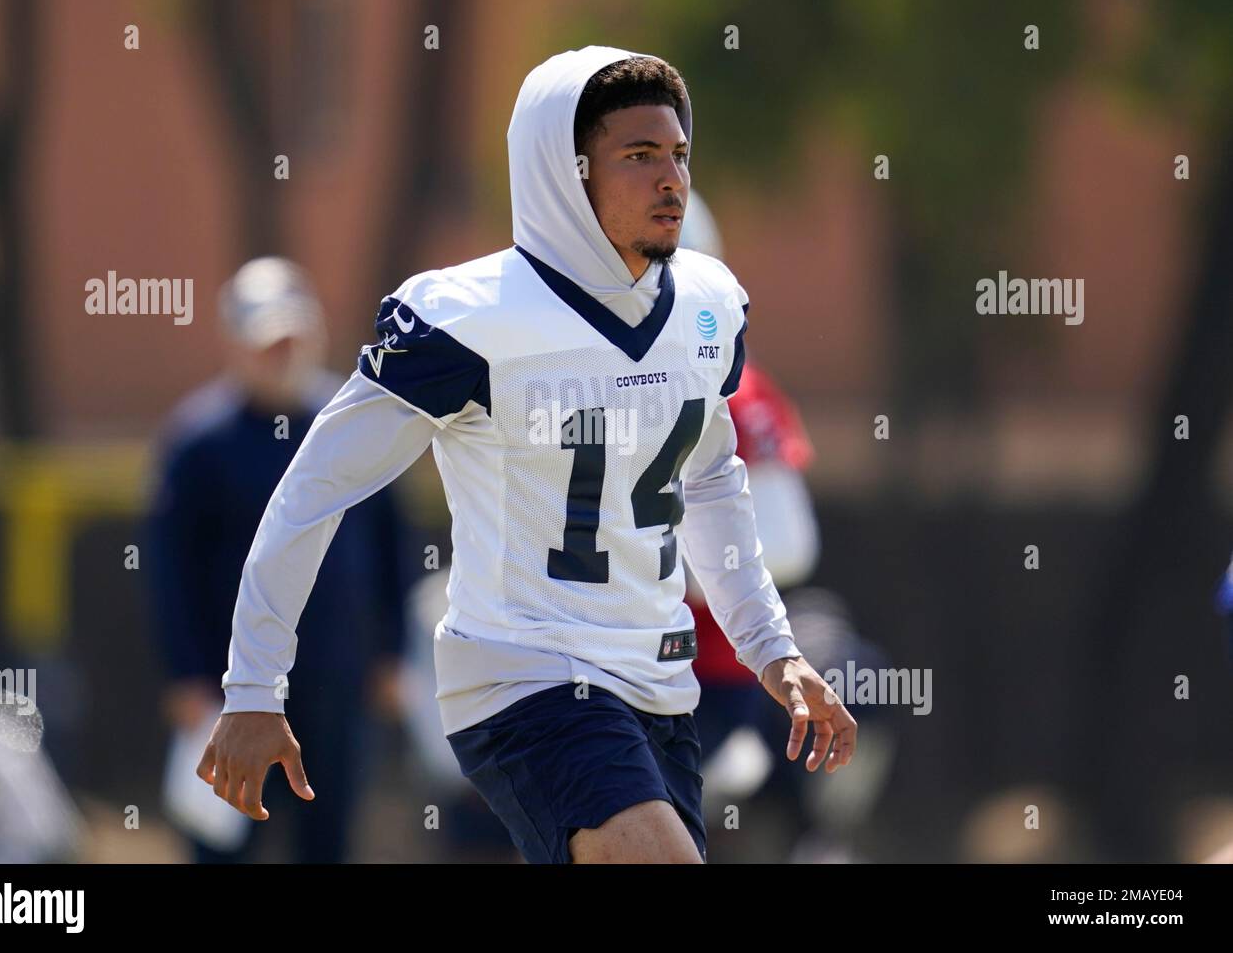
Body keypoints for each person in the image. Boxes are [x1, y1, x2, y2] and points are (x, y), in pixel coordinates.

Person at [200, 47, 857, 864]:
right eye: (640, 155)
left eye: (679, 154)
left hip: (659, 688)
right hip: (526, 681)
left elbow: (712, 478)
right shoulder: (471, 319)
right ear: (565, 171)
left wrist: (774, 650)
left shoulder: (706, 304)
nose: (672, 180)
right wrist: (255, 686)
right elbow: (314, 490)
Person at [147, 257, 407, 863]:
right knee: (222, 844)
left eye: (292, 337)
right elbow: (169, 572)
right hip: (229, 691)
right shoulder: (197, 445)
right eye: (267, 341)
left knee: (328, 841)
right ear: (235, 344)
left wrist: (391, 653)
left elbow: (391, 542)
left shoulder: (350, 425)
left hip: (335, 679)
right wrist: (185, 677)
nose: (281, 353)